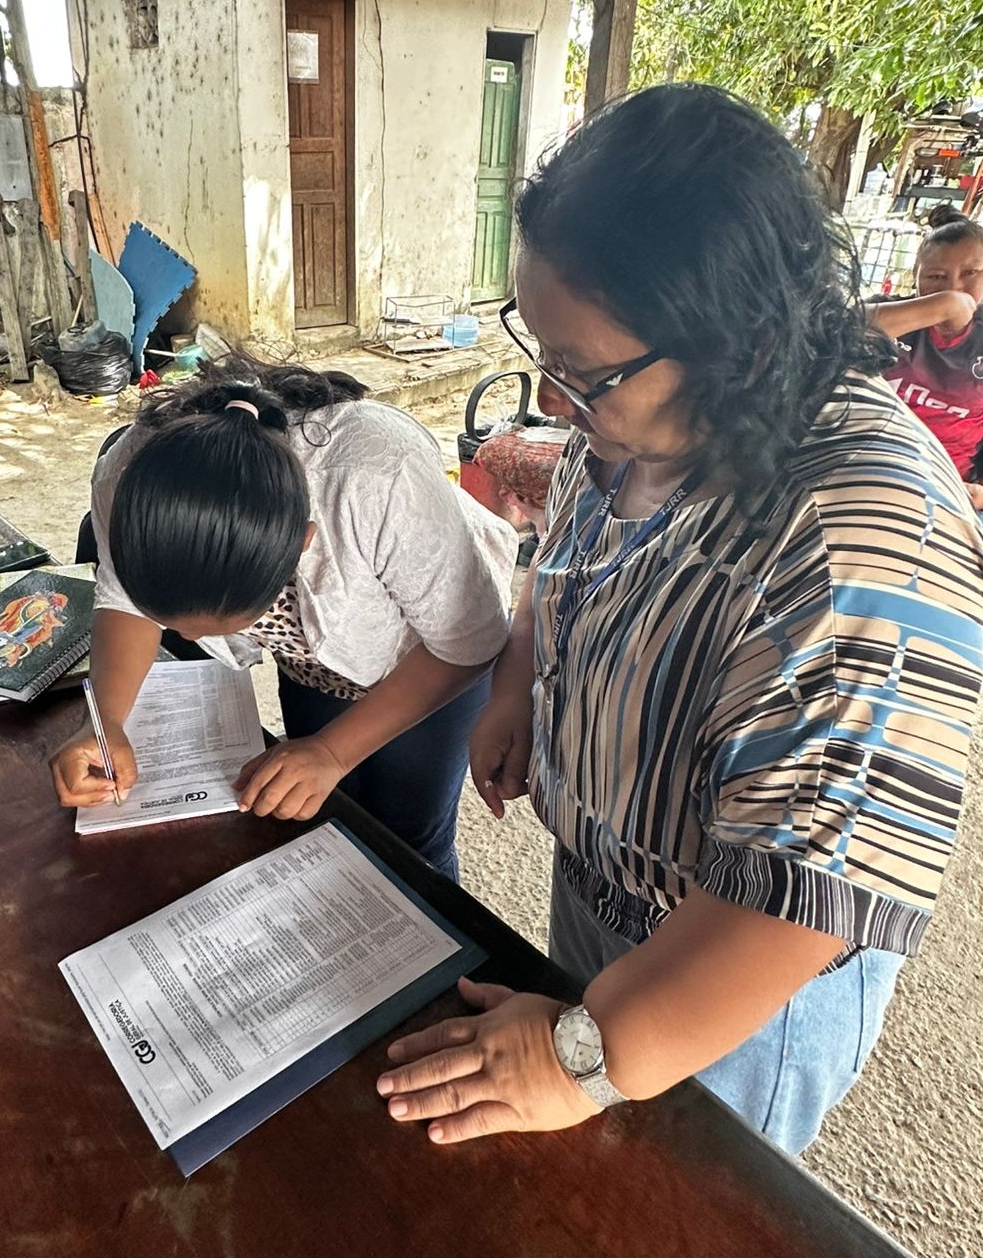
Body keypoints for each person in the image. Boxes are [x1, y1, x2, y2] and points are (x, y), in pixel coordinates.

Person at [374, 84, 983, 1155]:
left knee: (682, 1201)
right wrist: (520, 683)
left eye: (583, 374)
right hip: (600, 889)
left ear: (736, 342)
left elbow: (800, 904)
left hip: (726, 974)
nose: (555, 402)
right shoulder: (630, 424)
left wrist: (577, 1054)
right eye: (544, 354)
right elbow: (560, 562)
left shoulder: (863, 540)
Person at [49, 359, 516, 880]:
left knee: (410, 841)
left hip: (433, 660)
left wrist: (333, 753)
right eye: (173, 621)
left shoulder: (375, 478)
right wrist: (106, 721)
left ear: (301, 547)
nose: (185, 640)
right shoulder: (131, 476)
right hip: (311, 666)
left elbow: (466, 642)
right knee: (332, 816)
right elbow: (124, 600)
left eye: (216, 626)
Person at [868, 204, 983, 507]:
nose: (954, 288)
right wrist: (943, 307)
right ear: (915, 277)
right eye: (936, 276)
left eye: (970, 273)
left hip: (948, 490)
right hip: (864, 469)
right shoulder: (892, 315)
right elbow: (832, 329)